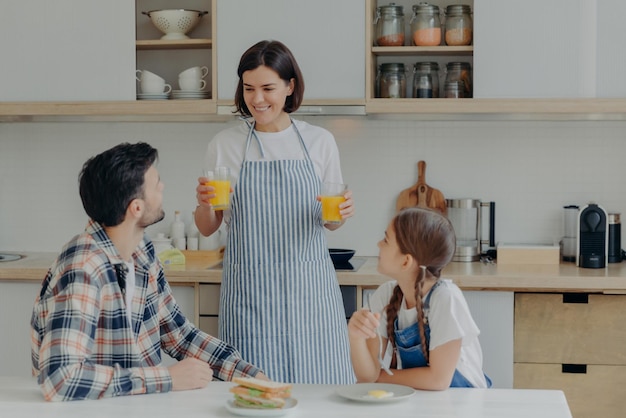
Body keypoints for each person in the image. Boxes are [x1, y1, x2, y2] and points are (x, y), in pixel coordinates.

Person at [31, 142, 266, 402]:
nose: (162, 186)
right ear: (137, 208)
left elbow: (179, 335)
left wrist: (247, 374)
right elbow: (61, 377)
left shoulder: (141, 253)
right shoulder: (84, 265)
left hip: (136, 407)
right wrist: (167, 378)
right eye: (156, 183)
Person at [194, 40, 355, 384]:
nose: (257, 99)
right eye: (249, 88)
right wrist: (204, 204)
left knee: (319, 396)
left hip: (310, 297)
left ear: (290, 86)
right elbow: (208, 227)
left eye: (268, 88)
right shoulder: (224, 145)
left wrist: (341, 211)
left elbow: (330, 221)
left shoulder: (319, 141)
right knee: (252, 395)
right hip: (250, 299)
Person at [347, 207, 491, 389]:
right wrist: (355, 337)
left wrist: (380, 377)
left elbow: (438, 380)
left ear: (406, 261)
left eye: (386, 240)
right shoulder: (386, 294)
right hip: (425, 399)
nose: (378, 244)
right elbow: (367, 376)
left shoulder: (445, 298)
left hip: (462, 399)